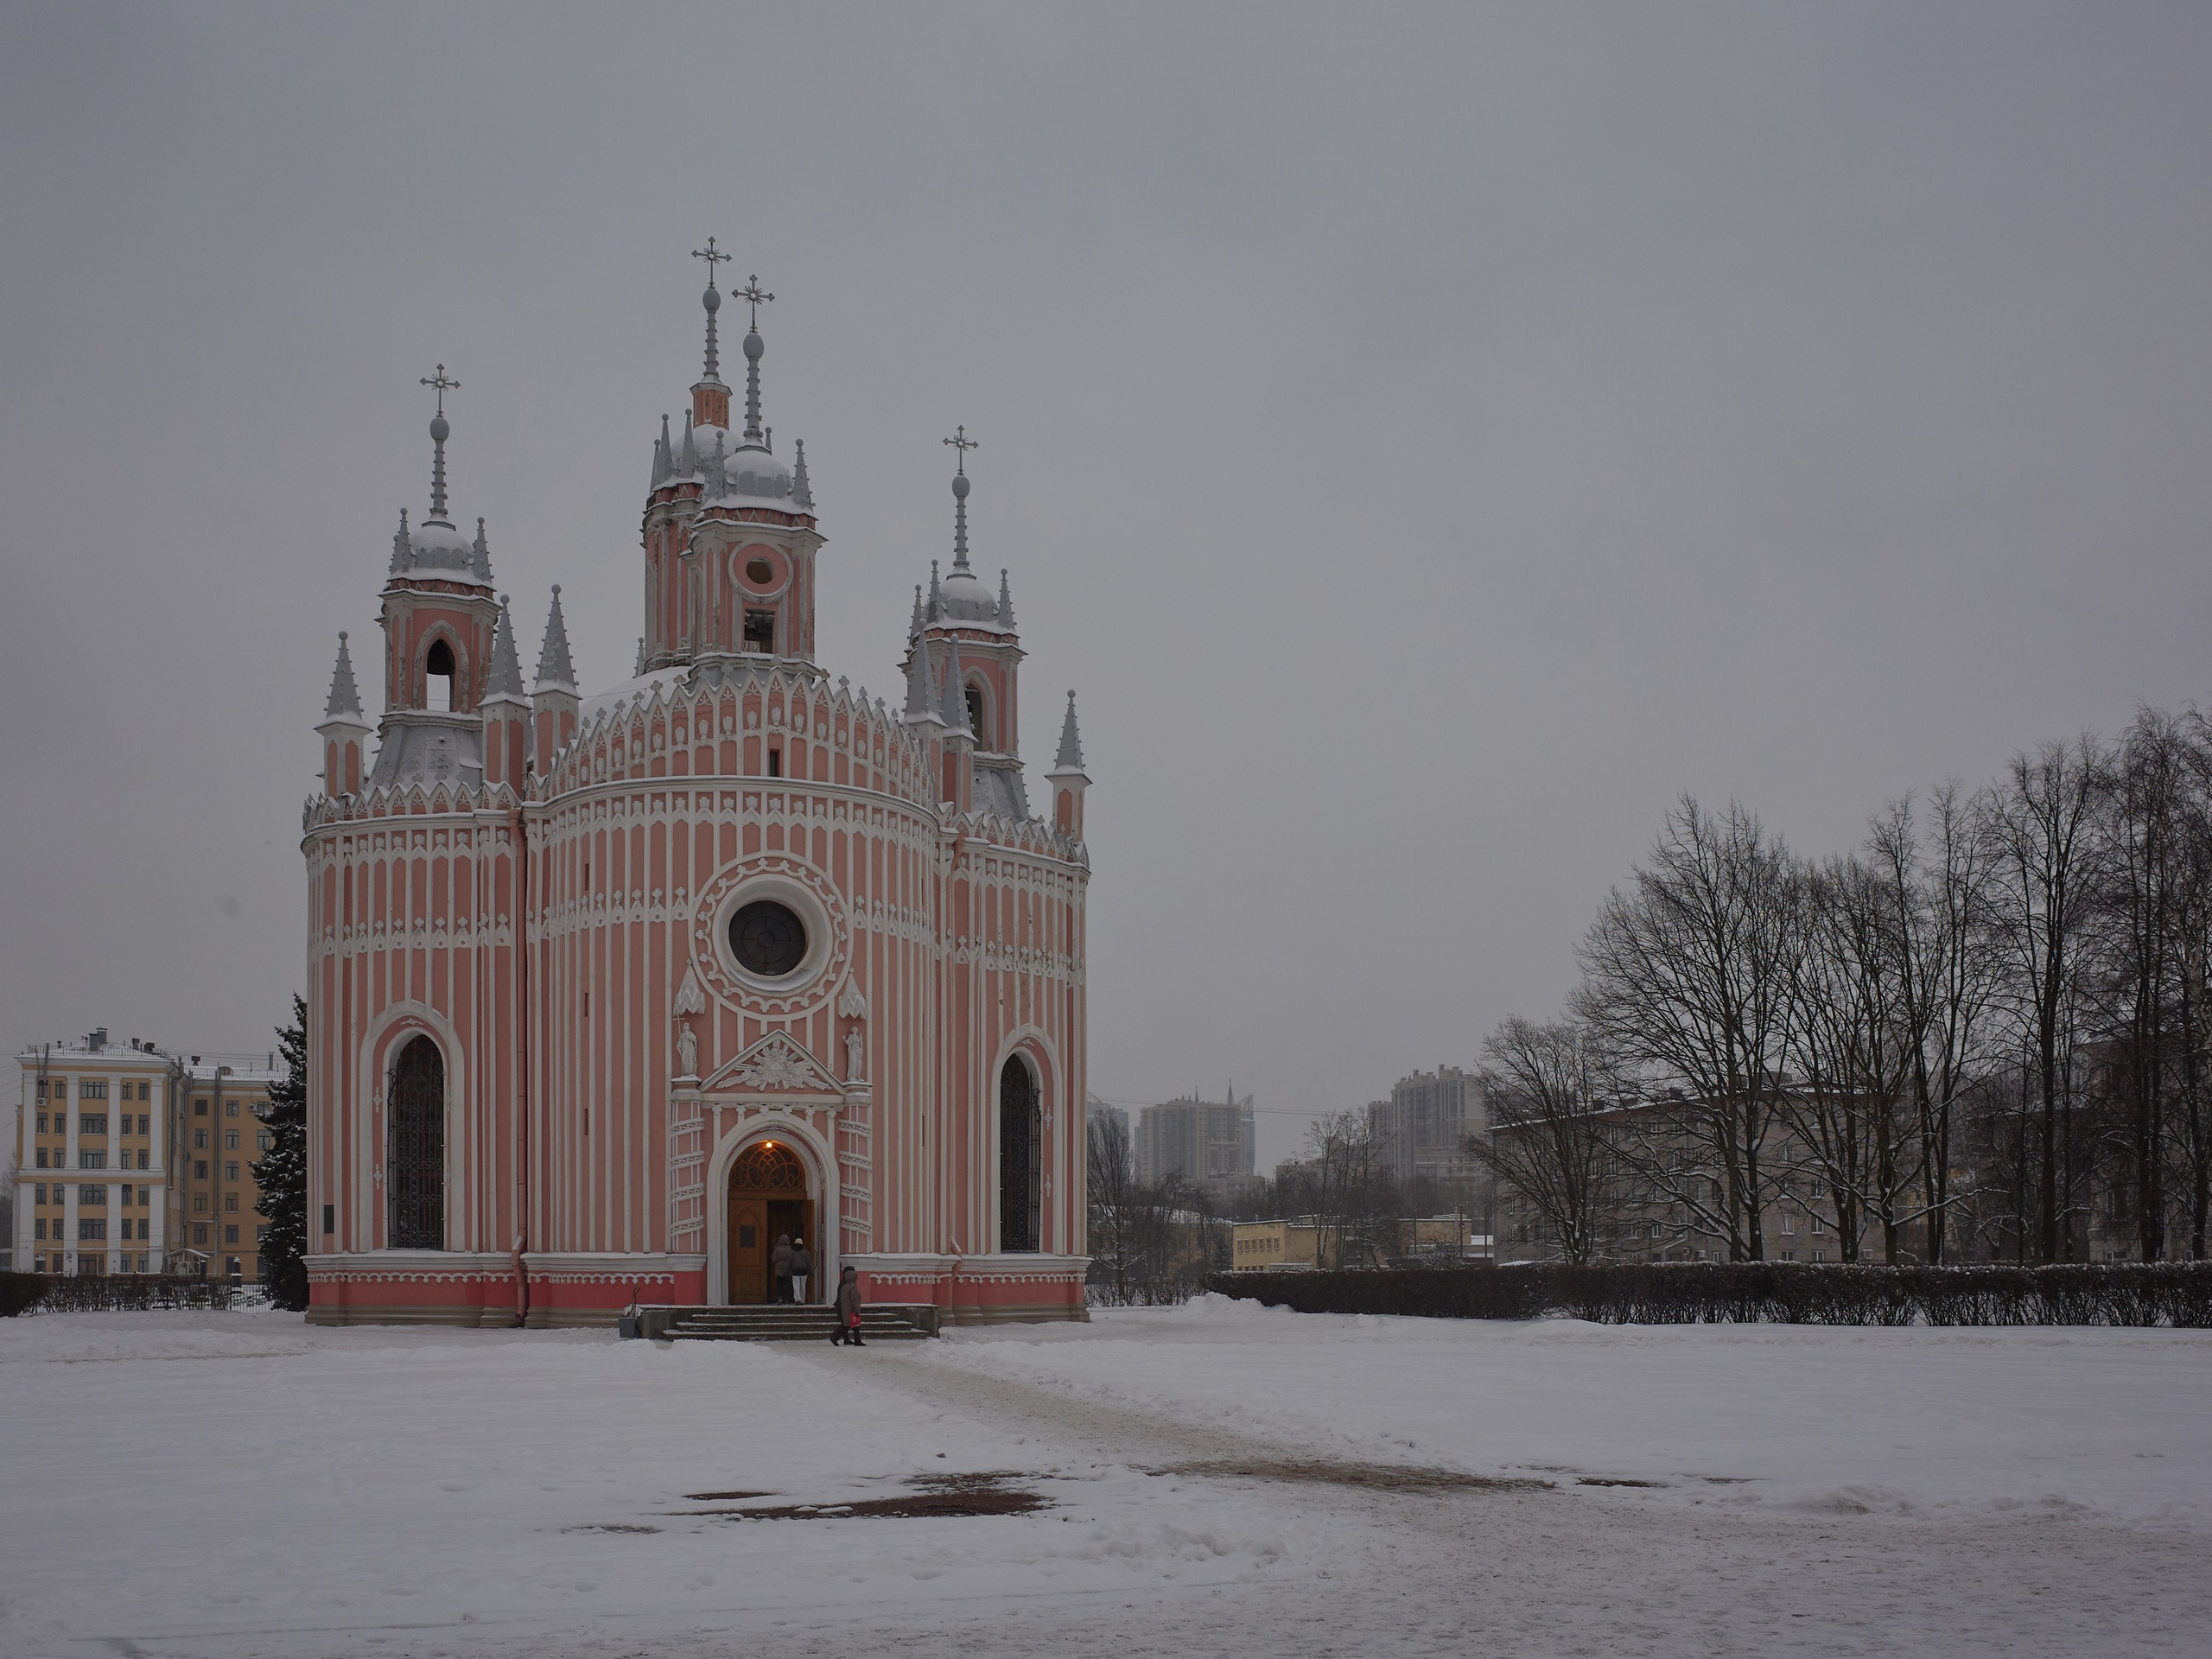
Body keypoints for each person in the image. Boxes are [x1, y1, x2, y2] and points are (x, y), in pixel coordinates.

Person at [830, 1264, 865, 1346]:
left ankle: (854, 1340)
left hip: (844, 1308)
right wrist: (856, 1309)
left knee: (850, 1325)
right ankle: (835, 1336)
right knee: (849, 1325)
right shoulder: (853, 1287)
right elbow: (854, 1299)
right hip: (851, 1309)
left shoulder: (844, 1285)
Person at [770, 1234, 793, 1305]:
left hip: (779, 1270)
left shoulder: (777, 1249)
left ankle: (780, 1298)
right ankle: (786, 1299)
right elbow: (792, 1259)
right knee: (786, 1285)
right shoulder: (790, 1249)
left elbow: (774, 1259)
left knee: (779, 1285)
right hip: (788, 1270)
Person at [789, 1236, 812, 1305]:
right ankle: (802, 1300)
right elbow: (809, 1262)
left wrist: (790, 1269)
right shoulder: (806, 1252)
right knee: (803, 1285)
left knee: (796, 1285)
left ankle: (797, 1299)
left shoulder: (792, 1252)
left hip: (795, 1270)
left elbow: (790, 1261)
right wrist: (811, 1271)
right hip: (804, 1271)